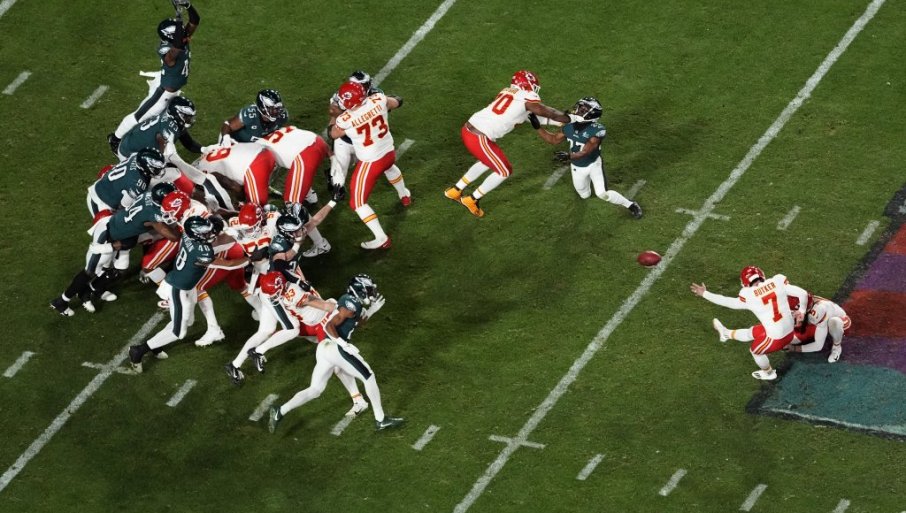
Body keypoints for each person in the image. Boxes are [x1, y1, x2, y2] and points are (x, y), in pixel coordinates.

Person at [268, 274, 404, 432]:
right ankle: (380, 419)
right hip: (334, 347)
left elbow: (356, 322)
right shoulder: (350, 303)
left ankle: (280, 411)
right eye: (368, 290)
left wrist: (372, 311)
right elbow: (329, 326)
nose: (371, 293)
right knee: (368, 376)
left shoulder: (353, 305)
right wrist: (343, 344)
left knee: (315, 390)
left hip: (324, 348)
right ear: (359, 290)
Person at [128, 216, 248, 372]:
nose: (208, 234)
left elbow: (215, 243)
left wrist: (235, 234)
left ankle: (156, 345)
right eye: (204, 233)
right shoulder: (201, 252)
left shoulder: (188, 235)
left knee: (187, 322)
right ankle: (139, 350)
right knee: (179, 332)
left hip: (185, 286)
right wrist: (250, 259)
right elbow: (229, 265)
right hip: (178, 290)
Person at [444, 70, 570, 218]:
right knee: (504, 171)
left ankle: (455, 190)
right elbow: (545, 112)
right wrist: (566, 118)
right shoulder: (527, 97)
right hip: (479, 137)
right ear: (526, 85)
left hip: (470, 130)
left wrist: (561, 121)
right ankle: (472, 199)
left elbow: (533, 116)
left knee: (487, 161)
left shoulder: (508, 93)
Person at [50, 186, 188, 316]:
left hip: (124, 232)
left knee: (120, 268)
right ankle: (61, 301)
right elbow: (173, 237)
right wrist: (184, 224)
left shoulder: (147, 195)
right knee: (90, 271)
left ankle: (91, 289)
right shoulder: (152, 214)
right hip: (107, 235)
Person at [108, 1, 200, 154]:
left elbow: (195, 21)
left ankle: (190, 144)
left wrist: (187, 6)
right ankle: (115, 139)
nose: (184, 32)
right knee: (140, 115)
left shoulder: (180, 40)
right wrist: (178, 17)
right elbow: (177, 46)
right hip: (164, 92)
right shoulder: (167, 51)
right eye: (180, 31)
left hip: (171, 86)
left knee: (173, 116)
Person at [329, 81, 411, 249]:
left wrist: (334, 116)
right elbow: (397, 101)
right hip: (388, 152)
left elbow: (333, 134)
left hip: (371, 162)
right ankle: (404, 196)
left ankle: (381, 238)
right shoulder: (379, 98)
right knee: (390, 168)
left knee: (357, 203)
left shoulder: (345, 119)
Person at [690, 266, 809, 380]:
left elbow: (726, 301)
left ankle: (769, 373)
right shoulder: (777, 281)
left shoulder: (749, 296)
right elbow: (803, 294)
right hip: (789, 330)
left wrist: (705, 293)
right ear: (761, 275)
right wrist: (802, 311)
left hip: (779, 338)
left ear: (745, 283)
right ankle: (726, 334)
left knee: (755, 351)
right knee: (752, 332)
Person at [531, 96, 642, 218]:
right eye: (580, 107)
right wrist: (538, 128)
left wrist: (569, 156)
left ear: (591, 115)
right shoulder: (569, 126)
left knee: (602, 194)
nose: (578, 110)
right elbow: (553, 140)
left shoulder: (597, 130)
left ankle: (630, 205)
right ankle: (586, 188)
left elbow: (585, 152)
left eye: (583, 110)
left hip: (593, 165)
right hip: (577, 167)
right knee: (584, 195)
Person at [256, 125, 333, 256]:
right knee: (297, 179)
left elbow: (265, 171)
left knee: (292, 205)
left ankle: (321, 244)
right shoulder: (281, 131)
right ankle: (310, 196)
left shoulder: (257, 150)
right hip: (318, 140)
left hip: (305, 156)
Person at [117, 97, 206, 185]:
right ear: (178, 114)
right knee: (171, 174)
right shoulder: (166, 130)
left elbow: (188, 143)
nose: (190, 120)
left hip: (133, 143)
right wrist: (199, 177)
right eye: (187, 117)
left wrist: (204, 149)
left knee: (170, 167)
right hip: (130, 153)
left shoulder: (173, 120)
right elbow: (172, 159)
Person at [87, 148, 167, 218]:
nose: (160, 171)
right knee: (111, 228)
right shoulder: (136, 185)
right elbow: (122, 209)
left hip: (107, 185)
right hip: (100, 201)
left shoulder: (136, 156)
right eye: (156, 169)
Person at [786, 295, 851, 363]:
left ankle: (836, 347)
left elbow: (818, 345)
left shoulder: (817, 313)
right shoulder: (802, 299)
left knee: (834, 322)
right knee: (793, 337)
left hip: (840, 320)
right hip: (818, 318)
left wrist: (794, 348)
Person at [218, 89, 288, 146]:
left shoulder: (282, 117)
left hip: (255, 148)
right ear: (263, 108)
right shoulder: (250, 115)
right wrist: (226, 138)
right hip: (235, 143)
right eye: (273, 109)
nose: (277, 112)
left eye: (278, 108)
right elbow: (227, 125)